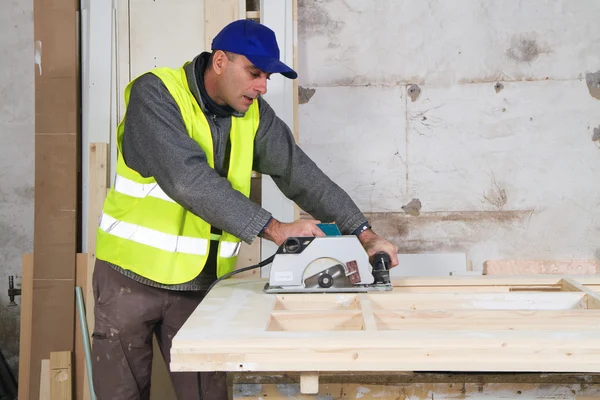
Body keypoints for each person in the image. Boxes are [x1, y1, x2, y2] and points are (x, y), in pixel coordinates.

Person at [91, 18, 399, 400]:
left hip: (202, 288)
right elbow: (187, 179)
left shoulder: (254, 114)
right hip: (130, 280)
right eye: (254, 73)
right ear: (220, 61)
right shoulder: (156, 94)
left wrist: (364, 233)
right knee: (121, 394)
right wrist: (274, 228)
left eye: (267, 76)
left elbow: (300, 174)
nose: (263, 87)